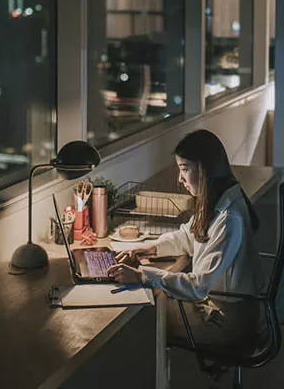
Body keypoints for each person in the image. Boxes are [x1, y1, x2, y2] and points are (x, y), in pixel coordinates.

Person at [108, 129, 265, 347]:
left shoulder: (229, 218)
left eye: (185, 169)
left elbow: (198, 285)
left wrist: (142, 275)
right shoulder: (217, 199)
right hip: (218, 307)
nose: (180, 179)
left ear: (204, 170)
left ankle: (160, 380)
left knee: (144, 320)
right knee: (149, 310)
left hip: (229, 321)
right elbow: (187, 236)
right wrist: (145, 248)